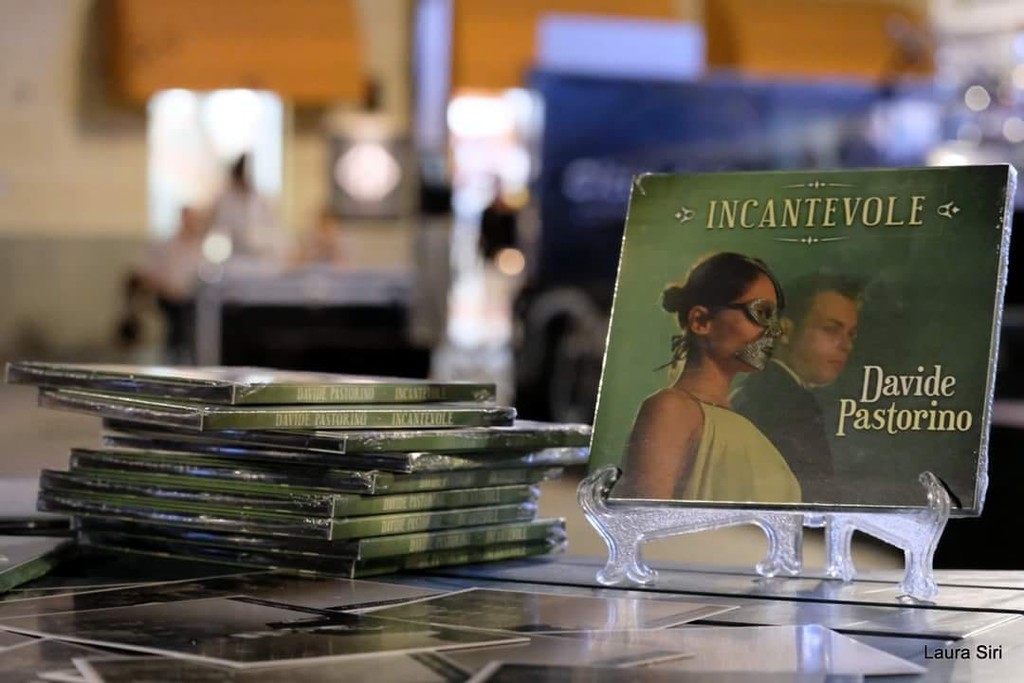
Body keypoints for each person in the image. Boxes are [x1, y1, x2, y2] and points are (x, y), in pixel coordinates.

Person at [613, 252, 802, 504]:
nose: (774, 331)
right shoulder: (671, 410)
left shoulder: (745, 425)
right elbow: (645, 517)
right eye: (762, 313)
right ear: (701, 321)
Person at [732, 272, 863, 502]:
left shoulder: (758, 391)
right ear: (785, 330)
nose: (846, 345)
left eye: (851, 334)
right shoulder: (786, 403)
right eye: (831, 329)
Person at [135, 205, 208, 362]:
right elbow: (151, 273)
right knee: (177, 327)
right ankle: (173, 358)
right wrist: (166, 288)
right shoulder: (167, 245)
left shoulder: (201, 248)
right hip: (169, 299)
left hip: (193, 300)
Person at [209, 154, 280, 260]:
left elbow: (271, 230)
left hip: (261, 256)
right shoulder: (226, 201)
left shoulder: (261, 200)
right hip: (234, 257)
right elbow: (221, 230)